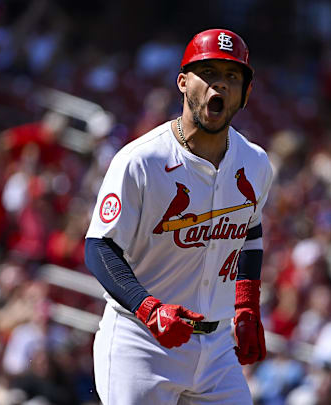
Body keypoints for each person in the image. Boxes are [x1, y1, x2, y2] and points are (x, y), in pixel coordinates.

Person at [85, 28, 273, 404]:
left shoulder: (255, 163)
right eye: (209, 74)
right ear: (184, 83)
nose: (219, 86)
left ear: (246, 93)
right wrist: (148, 308)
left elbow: (250, 232)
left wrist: (247, 305)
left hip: (218, 347)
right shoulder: (141, 161)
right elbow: (99, 248)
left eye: (232, 76)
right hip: (140, 342)